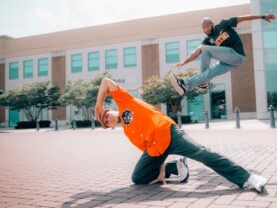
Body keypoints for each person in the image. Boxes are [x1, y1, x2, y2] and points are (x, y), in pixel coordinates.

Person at [95, 77, 267, 192]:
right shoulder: (128, 132)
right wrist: (162, 169)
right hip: (158, 149)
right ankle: (176, 167)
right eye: (106, 121)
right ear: (109, 126)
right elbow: (150, 149)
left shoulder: (125, 102)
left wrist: (98, 106)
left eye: (107, 115)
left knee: (202, 153)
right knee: (138, 177)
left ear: (111, 110)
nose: (108, 119)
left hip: (170, 134)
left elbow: (105, 82)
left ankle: (249, 178)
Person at [170, 14, 276, 95]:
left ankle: (203, 82)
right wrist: (184, 62)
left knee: (205, 49)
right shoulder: (208, 40)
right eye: (203, 28)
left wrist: (262, 16)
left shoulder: (223, 25)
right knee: (209, 72)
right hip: (230, 62)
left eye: (207, 26)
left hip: (237, 55)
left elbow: (242, 18)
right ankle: (186, 85)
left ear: (211, 24)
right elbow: (197, 51)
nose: (205, 30)